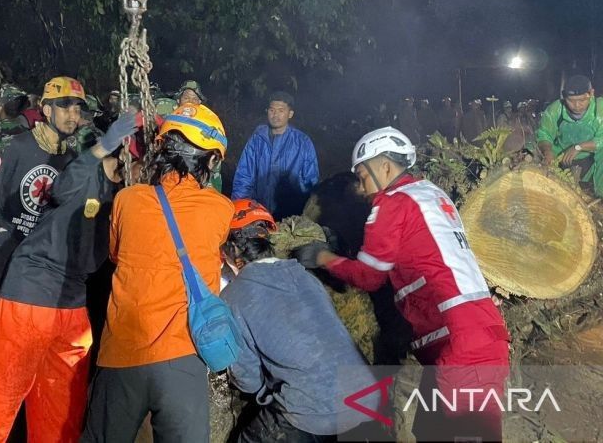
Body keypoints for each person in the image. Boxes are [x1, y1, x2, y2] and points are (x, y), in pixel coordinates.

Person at [293, 126, 509, 441]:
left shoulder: (392, 202)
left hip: (461, 345)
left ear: (384, 167)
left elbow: (369, 276)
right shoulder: (431, 193)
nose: (364, 189)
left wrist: (323, 258)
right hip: (474, 335)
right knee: (429, 431)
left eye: (363, 176)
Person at [0, 112, 137, 443]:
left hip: (71, 305)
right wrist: (103, 146)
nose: (144, 176)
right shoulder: (86, 173)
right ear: (125, 155)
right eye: (142, 166)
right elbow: (61, 187)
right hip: (29, 294)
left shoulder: (125, 200)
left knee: (61, 411)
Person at [83, 103, 233, 443]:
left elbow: (115, 255)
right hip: (182, 356)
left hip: (122, 353)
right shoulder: (220, 210)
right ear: (211, 161)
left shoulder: (126, 200)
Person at [221, 199, 381, 442]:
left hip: (314, 408)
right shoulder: (303, 276)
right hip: (366, 396)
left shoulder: (234, 296)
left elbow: (248, 380)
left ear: (231, 251)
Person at [0, 76, 84, 317]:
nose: (73, 116)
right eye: (65, 107)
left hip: (44, 250)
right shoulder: (17, 146)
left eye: (77, 109)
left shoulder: (71, 158)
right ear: (47, 110)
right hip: (8, 242)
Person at [232, 91, 319, 219]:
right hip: (258, 211)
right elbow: (244, 177)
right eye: (272, 110)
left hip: (291, 215)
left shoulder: (302, 142)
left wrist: (307, 215)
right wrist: (239, 210)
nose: (275, 115)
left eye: (281, 111)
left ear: (290, 114)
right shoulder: (257, 139)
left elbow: (311, 181)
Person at [536, 75, 603, 196]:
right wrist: (547, 151)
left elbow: (601, 140)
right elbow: (544, 134)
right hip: (562, 158)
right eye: (571, 100)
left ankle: (601, 194)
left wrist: (579, 147)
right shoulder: (555, 109)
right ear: (564, 97)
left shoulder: (600, 108)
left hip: (592, 159)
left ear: (591, 93)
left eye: (582, 100)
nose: (577, 105)